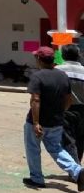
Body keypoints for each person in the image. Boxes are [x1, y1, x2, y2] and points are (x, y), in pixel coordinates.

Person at [22, 46, 84, 190]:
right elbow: (68, 99)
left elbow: (35, 100)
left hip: (37, 121)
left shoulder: (37, 76)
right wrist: (60, 113)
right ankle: (78, 171)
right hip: (56, 122)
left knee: (33, 149)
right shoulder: (62, 75)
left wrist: (36, 122)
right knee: (57, 149)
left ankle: (36, 178)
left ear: (39, 59)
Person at [57, 44, 84, 162]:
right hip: (83, 110)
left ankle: (75, 170)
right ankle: (76, 167)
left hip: (65, 109)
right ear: (78, 55)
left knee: (68, 140)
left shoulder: (57, 70)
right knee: (80, 139)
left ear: (63, 56)